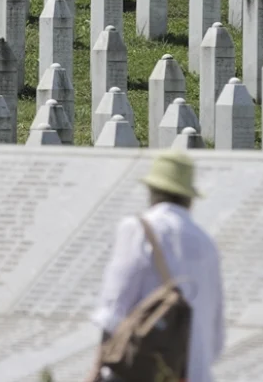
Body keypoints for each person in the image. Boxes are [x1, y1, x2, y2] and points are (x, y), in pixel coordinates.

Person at [85, 151, 225, 382]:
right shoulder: (207, 244)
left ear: (152, 192)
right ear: (189, 198)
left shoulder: (137, 229)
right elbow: (216, 339)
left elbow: (113, 312)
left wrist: (94, 373)